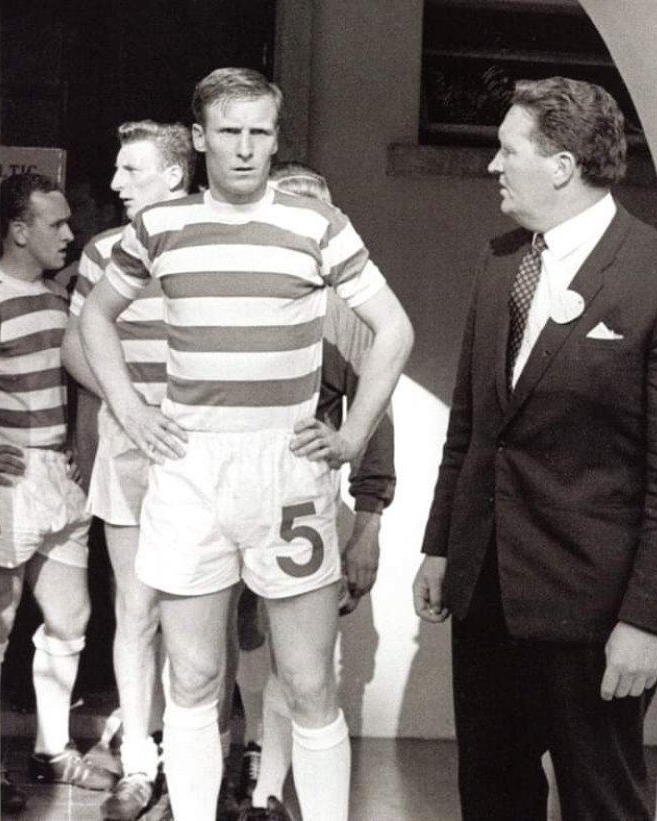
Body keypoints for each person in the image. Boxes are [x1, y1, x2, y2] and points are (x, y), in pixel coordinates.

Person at [78, 67, 414, 821]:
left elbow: (394, 329)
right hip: (191, 466)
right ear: (199, 139)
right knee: (194, 677)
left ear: (274, 135)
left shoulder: (315, 224)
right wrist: (131, 409)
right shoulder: (159, 227)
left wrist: (354, 431)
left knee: (309, 682)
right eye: (229, 132)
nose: (245, 148)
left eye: (260, 131)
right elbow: (94, 318)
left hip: (285, 468)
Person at [413, 76, 657, 821]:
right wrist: (441, 548)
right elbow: (473, 427)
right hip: (485, 597)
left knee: (602, 804)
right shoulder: (501, 265)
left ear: (561, 165)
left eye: (508, 149)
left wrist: (649, 621)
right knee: (491, 798)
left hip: (595, 617)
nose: (493, 166)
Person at [230, 163, 396, 821]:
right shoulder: (224, 295)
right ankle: (234, 767)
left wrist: (371, 522)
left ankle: (270, 790)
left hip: (304, 500)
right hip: (223, 493)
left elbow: (373, 417)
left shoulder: (350, 311)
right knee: (223, 640)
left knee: (303, 656)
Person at [61, 119, 197, 820]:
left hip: (199, 453)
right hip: (127, 448)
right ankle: (140, 763)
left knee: (197, 617)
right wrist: (130, 407)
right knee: (136, 610)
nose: (115, 185)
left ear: (174, 175)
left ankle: (196, 756)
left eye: (131, 170)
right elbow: (77, 344)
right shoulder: (103, 249)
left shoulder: (209, 237)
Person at [0, 173, 118, 815]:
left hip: (59, 479)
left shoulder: (60, 301)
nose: (71, 234)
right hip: (8, 484)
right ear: (20, 230)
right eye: (56, 224)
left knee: (70, 620)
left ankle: (50, 748)